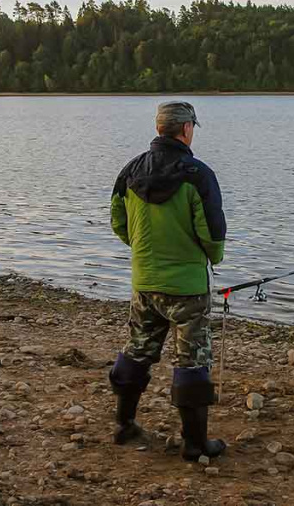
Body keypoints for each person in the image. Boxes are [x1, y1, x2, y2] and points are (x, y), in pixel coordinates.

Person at [108, 101, 228, 462]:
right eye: (193, 127)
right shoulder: (198, 174)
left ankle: (124, 424)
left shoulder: (130, 171)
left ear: (159, 128)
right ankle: (194, 445)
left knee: (138, 350)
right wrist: (213, 258)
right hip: (187, 288)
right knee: (192, 361)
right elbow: (213, 232)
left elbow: (117, 218)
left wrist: (142, 249)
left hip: (144, 282)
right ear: (186, 129)